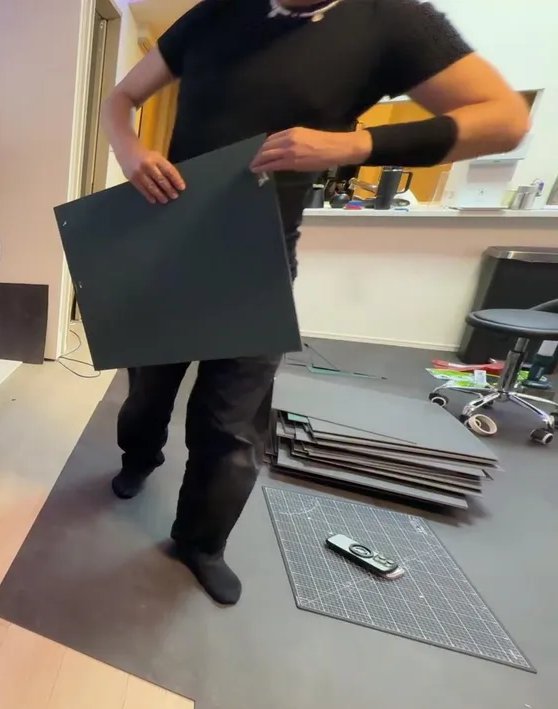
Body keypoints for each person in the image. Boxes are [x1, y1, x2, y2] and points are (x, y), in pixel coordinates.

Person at [100, 0, 529, 606]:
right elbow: (119, 99)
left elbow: (505, 120)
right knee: (147, 392)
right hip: (172, 252)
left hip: (261, 268)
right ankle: (139, 458)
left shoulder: (392, 20)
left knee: (231, 425)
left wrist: (352, 145)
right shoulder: (218, 12)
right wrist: (130, 152)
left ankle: (201, 543)